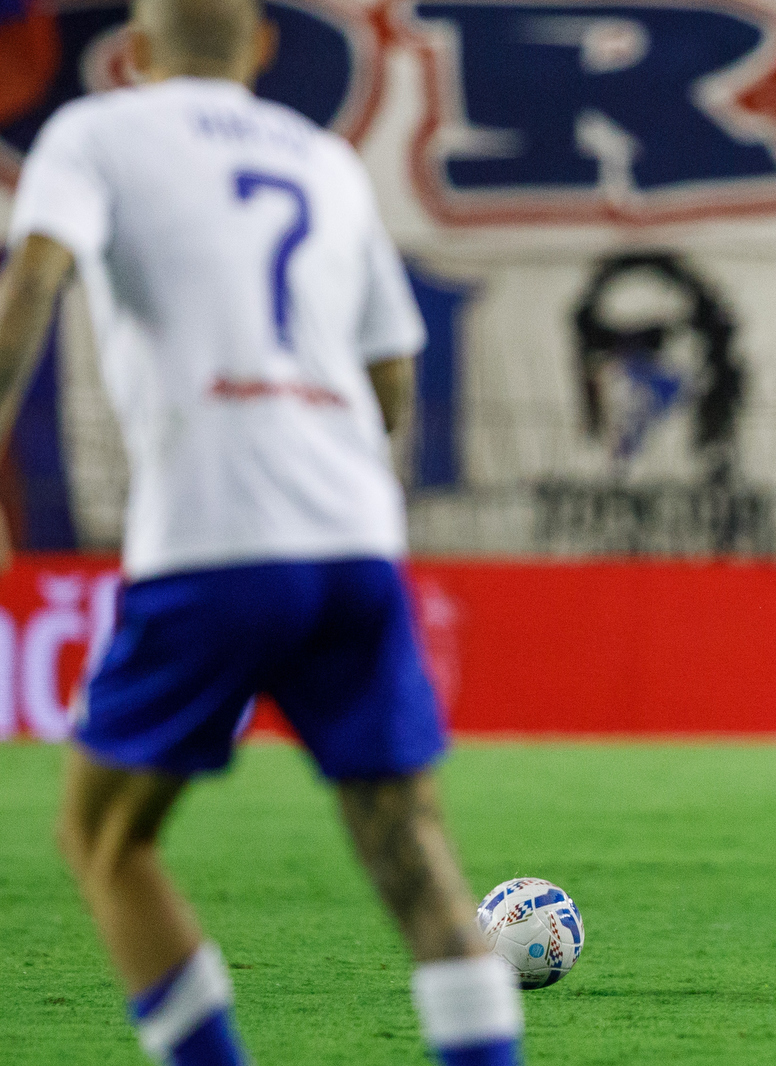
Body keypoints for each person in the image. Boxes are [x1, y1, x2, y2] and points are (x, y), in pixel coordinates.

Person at [0, 0, 523, 1062]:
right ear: (264, 48)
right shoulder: (323, 158)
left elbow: (37, 280)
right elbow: (389, 373)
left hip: (211, 539)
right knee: (415, 860)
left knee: (104, 839)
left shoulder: (94, 133)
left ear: (134, 51)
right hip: (351, 540)